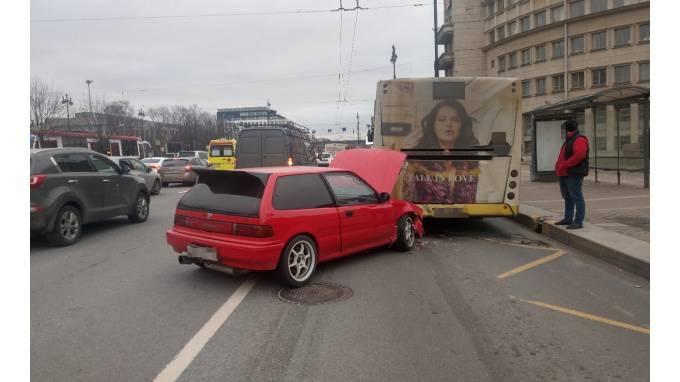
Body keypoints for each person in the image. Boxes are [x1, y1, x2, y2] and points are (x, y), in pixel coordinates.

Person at [402, 100, 480, 203]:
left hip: (465, 219)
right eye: (442, 119)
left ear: (462, 126)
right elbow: (408, 202)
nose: (448, 124)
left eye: (455, 120)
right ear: (433, 126)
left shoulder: (470, 163)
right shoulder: (416, 163)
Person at [554, 119, 590, 229]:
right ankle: (568, 218)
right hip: (564, 173)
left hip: (573, 173)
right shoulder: (570, 139)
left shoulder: (579, 139)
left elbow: (580, 155)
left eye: (564, 128)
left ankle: (578, 221)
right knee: (568, 197)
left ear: (567, 129)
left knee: (577, 197)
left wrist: (565, 165)